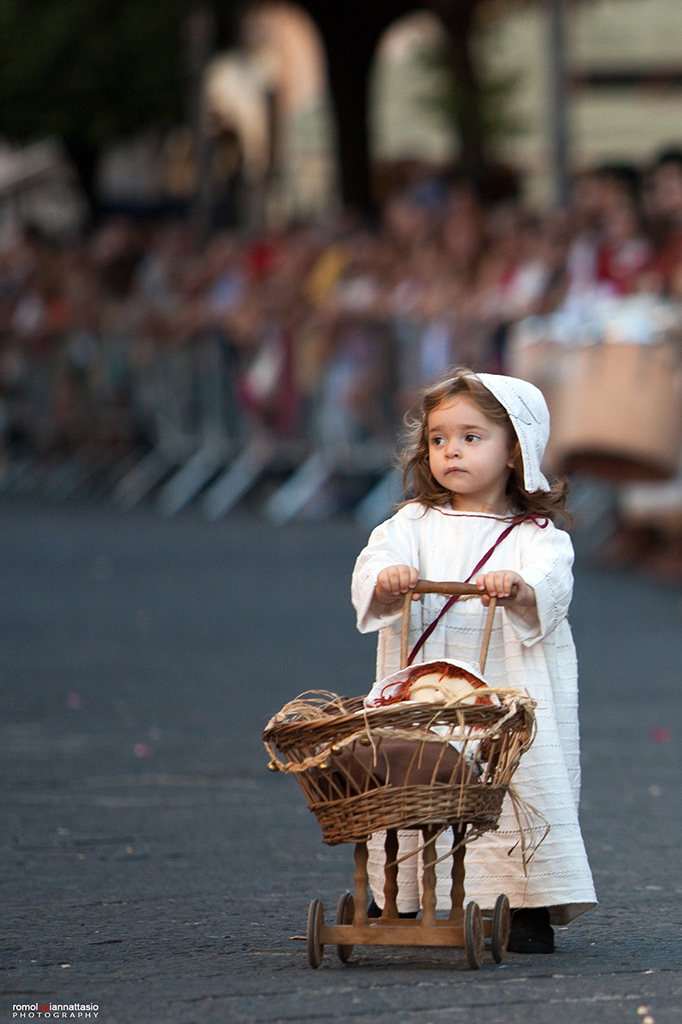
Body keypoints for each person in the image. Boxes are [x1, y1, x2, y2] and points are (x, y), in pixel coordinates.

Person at [351, 368, 597, 953]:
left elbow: (551, 585)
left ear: (515, 449)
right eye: (439, 439)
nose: (451, 450)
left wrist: (519, 586)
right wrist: (388, 579)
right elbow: (374, 564)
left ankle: (526, 903)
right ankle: (404, 896)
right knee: (416, 780)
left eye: (471, 436)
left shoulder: (538, 534)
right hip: (427, 687)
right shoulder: (412, 524)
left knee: (512, 784)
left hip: (509, 687)